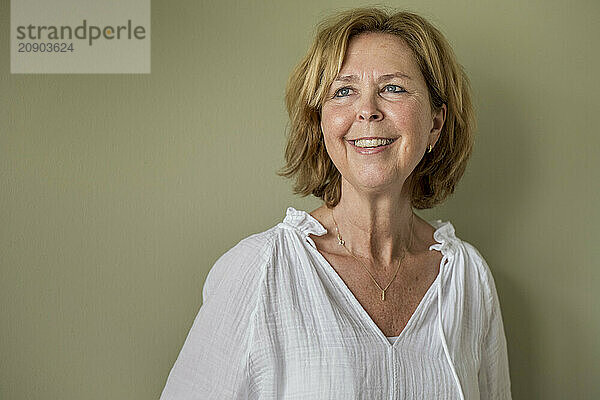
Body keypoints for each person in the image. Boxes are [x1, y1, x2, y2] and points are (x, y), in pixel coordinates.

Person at [160, 7, 512, 400]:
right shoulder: (260, 272)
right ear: (322, 123)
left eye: (393, 87)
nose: (367, 110)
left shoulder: (468, 278)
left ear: (435, 121)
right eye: (344, 91)